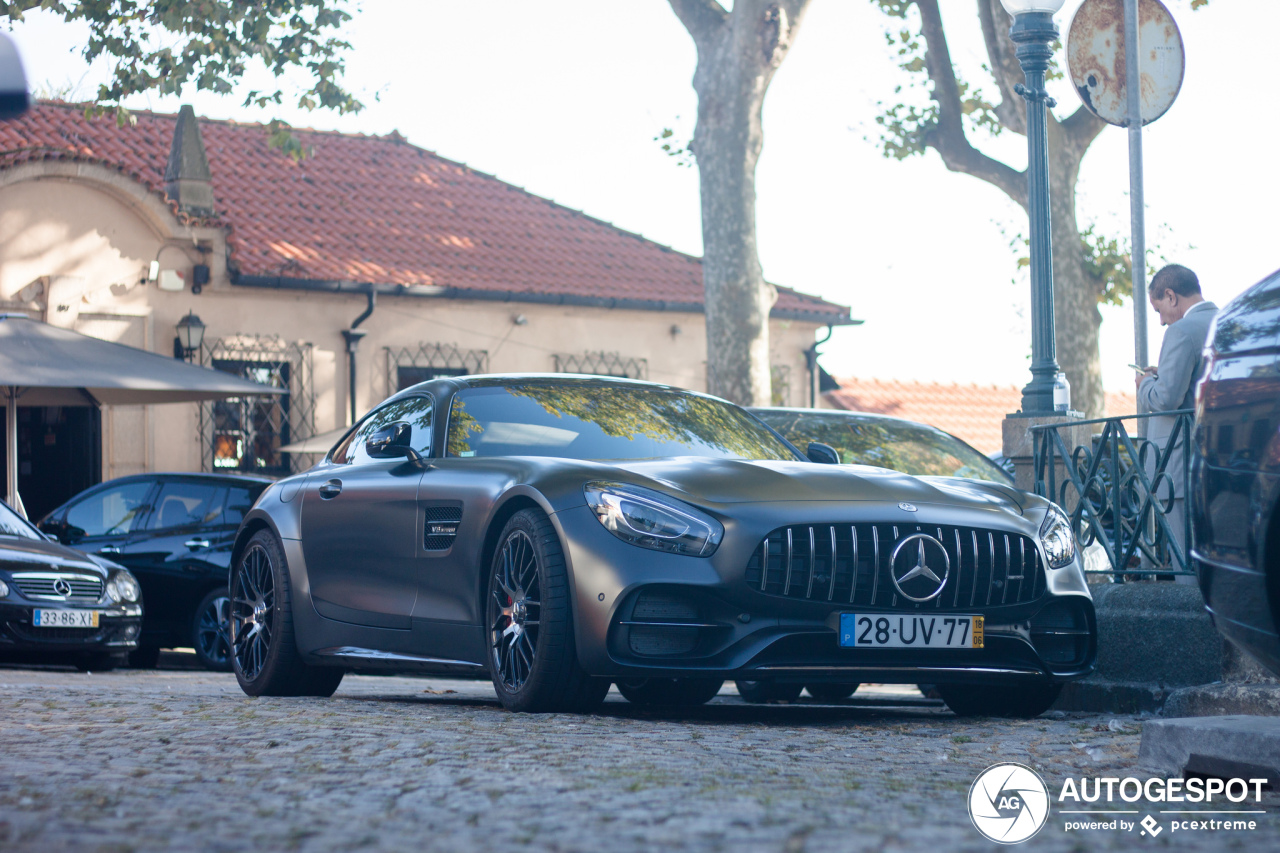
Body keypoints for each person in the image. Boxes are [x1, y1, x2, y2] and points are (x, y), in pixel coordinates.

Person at [1136, 264, 1217, 582]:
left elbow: (1167, 398)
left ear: (1171, 296)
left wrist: (1145, 383)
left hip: (1179, 464)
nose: (1160, 320)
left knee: (1185, 561)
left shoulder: (1181, 331)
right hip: (1217, 458)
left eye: (1159, 309)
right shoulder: (1225, 322)